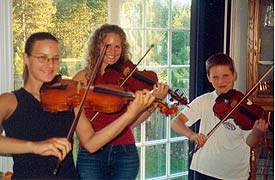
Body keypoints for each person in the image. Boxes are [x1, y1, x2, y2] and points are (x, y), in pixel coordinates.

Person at [0, 32, 156, 179]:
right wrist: (34, 146)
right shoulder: (9, 101)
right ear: (26, 58)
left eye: (55, 58)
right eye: (42, 57)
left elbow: (92, 144)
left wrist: (130, 114)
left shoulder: (70, 97)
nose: (50, 64)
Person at [73, 24, 169, 180]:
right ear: (97, 46)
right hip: (92, 155)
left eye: (117, 46)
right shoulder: (82, 78)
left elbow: (130, 122)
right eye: (107, 45)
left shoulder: (125, 80)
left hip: (125, 152)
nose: (113, 51)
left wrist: (153, 104)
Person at [171, 53, 269, 180]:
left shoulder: (246, 106)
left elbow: (250, 142)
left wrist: (257, 132)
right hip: (204, 168)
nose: (221, 81)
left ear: (234, 75)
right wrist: (192, 135)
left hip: (234, 174)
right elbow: (176, 122)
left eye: (226, 76)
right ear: (209, 78)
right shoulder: (204, 101)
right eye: (215, 77)